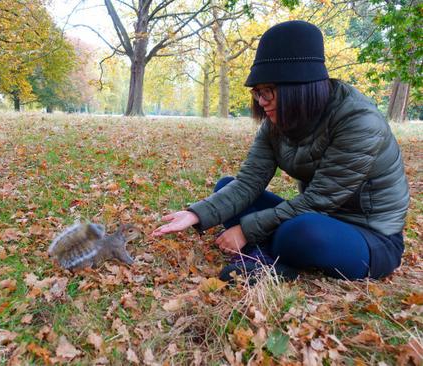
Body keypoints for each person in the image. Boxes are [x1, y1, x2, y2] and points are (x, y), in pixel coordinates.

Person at [152, 20, 410, 282]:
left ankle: (267, 255)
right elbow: (248, 183)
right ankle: (272, 260)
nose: (261, 102)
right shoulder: (278, 121)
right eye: (257, 93)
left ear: (298, 87)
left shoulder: (358, 122)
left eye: (268, 92)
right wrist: (196, 213)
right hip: (315, 216)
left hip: (369, 236)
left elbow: (318, 201)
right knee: (226, 186)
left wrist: (245, 230)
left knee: (299, 232)